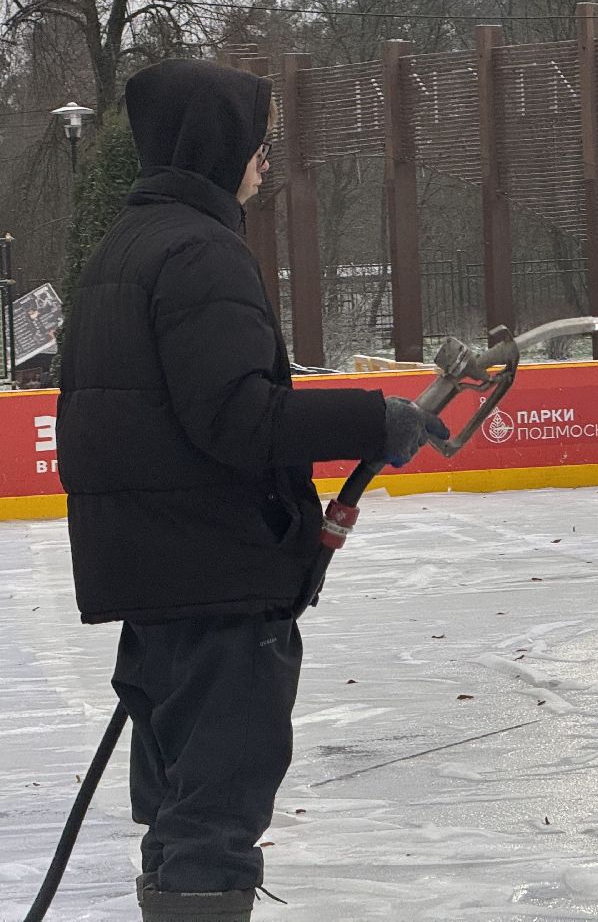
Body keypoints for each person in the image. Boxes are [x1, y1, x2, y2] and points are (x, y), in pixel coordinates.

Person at [56, 59, 448, 922]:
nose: (265, 160)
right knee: (216, 802)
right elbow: (236, 418)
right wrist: (370, 421)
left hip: (155, 576)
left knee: (182, 795)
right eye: (257, 141)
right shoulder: (201, 253)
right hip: (213, 575)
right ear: (218, 143)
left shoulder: (124, 249)